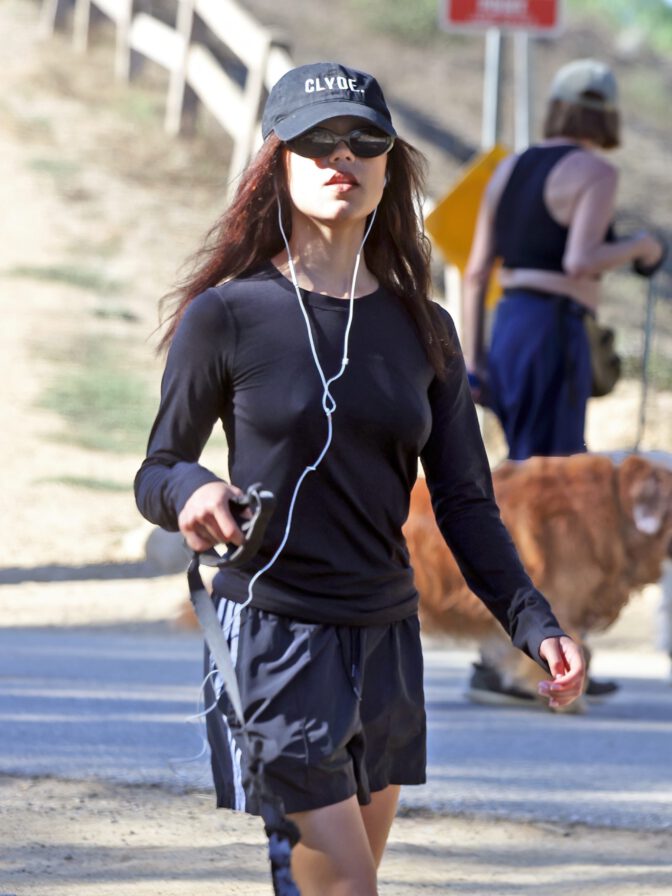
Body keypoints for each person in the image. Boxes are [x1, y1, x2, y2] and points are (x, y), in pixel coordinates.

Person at [134, 62, 586, 896]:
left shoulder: (426, 329)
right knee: (344, 885)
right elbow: (157, 467)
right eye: (315, 141)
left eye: (362, 139)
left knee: (341, 886)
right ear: (277, 161)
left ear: (388, 165)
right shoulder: (228, 315)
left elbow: (464, 503)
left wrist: (533, 619)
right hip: (272, 635)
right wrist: (194, 490)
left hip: (385, 641)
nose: (341, 156)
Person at [461, 58, 665, 707]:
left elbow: (472, 272)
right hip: (554, 330)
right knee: (551, 503)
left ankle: (506, 654)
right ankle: (525, 665)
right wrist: (638, 246)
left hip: (508, 327)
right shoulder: (596, 172)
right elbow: (580, 258)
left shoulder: (509, 169)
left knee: (522, 489)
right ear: (604, 114)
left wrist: (471, 361)